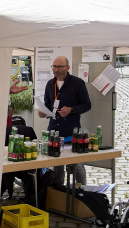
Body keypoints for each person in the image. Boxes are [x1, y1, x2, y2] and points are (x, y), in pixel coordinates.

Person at [38, 55, 92, 186]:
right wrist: (44, 113)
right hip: (54, 133)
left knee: (78, 166)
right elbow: (49, 105)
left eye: (60, 66)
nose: (57, 69)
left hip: (72, 133)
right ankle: (59, 194)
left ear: (68, 67)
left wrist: (71, 110)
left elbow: (87, 105)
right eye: (54, 66)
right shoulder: (50, 84)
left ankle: (82, 192)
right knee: (57, 167)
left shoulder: (78, 83)